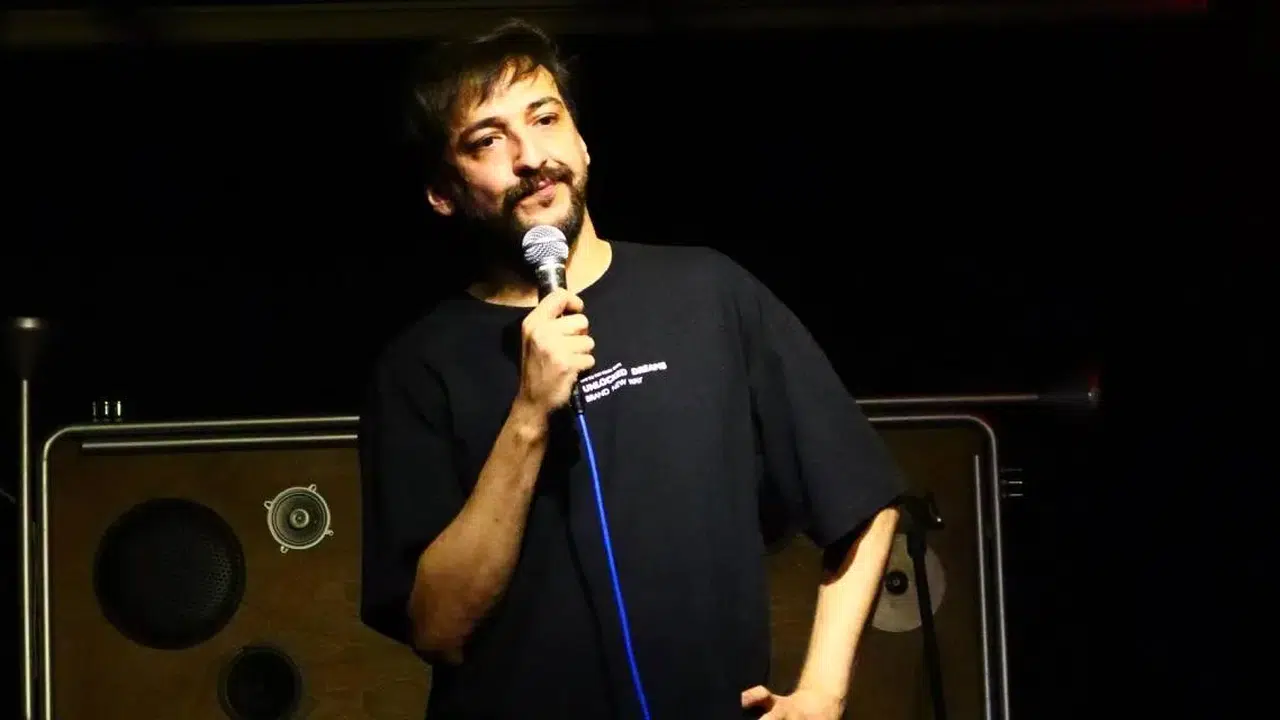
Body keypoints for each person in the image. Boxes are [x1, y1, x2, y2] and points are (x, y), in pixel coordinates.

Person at [358, 18, 905, 720]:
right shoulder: (417, 367)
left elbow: (862, 497)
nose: (531, 157)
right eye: (488, 140)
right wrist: (528, 416)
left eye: (545, 119)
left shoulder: (707, 293)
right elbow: (436, 628)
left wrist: (823, 693)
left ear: (582, 141)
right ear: (444, 191)